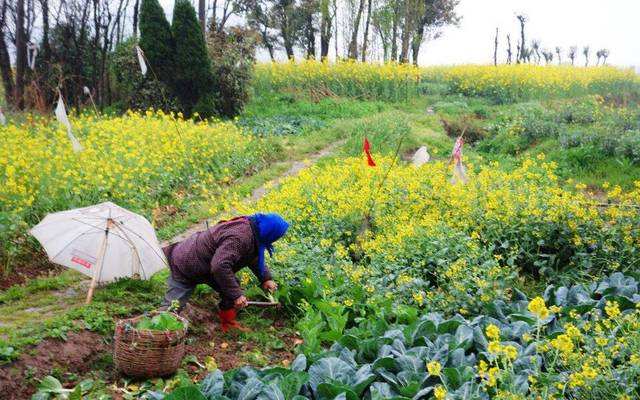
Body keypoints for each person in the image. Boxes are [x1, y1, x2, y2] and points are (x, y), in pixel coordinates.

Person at [162, 213, 289, 331]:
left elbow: (252, 256)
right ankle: (152, 331)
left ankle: (227, 323)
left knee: (231, 288)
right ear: (271, 234)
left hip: (206, 263)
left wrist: (266, 278)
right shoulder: (240, 237)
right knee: (171, 308)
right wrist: (237, 295)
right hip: (187, 262)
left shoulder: (253, 230)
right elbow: (220, 266)